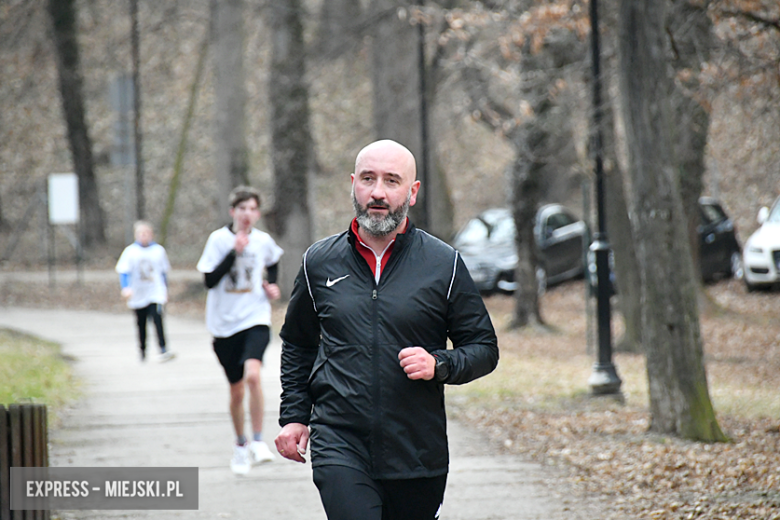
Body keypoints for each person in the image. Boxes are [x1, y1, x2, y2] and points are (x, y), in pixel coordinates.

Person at [275, 139, 499, 520]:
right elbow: (298, 343)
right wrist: (295, 416)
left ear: (412, 192)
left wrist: (439, 363)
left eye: (392, 181)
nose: (377, 192)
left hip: (416, 451)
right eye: (368, 179)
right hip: (339, 442)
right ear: (353, 185)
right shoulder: (319, 261)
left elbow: (483, 348)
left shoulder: (443, 264)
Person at [197, 186, 283, 475]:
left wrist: (272, 285)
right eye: (242, 208)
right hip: (223, 325)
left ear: (258, 214)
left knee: (254, 377)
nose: (248, 214)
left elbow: (273, 262)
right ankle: (240, 445)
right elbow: (209, 280)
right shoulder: (218, 240)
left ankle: (259, 441)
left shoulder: (264, 241)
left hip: (255, 317)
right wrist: (234, 252)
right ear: (233, 211)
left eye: (253, 209)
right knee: (236, 392)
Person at [115, 220, 175, 363]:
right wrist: (126, 288)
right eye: (141, 233)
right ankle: (142, 350)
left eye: (147, 233)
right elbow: (123, 271)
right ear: (136, 235)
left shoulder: (158, 250)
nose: (144, 236)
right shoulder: (130, 252)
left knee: (158, 319)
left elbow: (163, 272)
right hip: (138, 292)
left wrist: (165, 290)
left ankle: (163, 348)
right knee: (141, 323)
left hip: (155, 291)